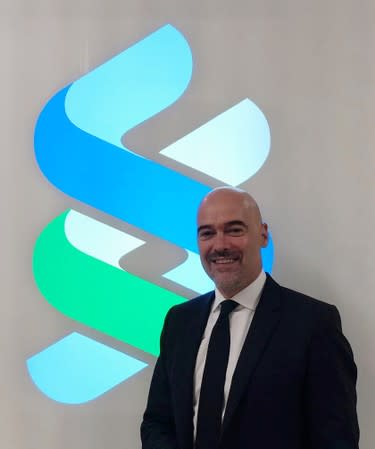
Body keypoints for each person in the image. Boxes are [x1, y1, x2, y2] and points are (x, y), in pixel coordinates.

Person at [141, 187, 359, 449]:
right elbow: (158, 422)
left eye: (234, 230)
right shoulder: (179, 321)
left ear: (263, 234)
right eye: (207, 233)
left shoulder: (313, 324)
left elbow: (336, 439)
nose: (220, 245)